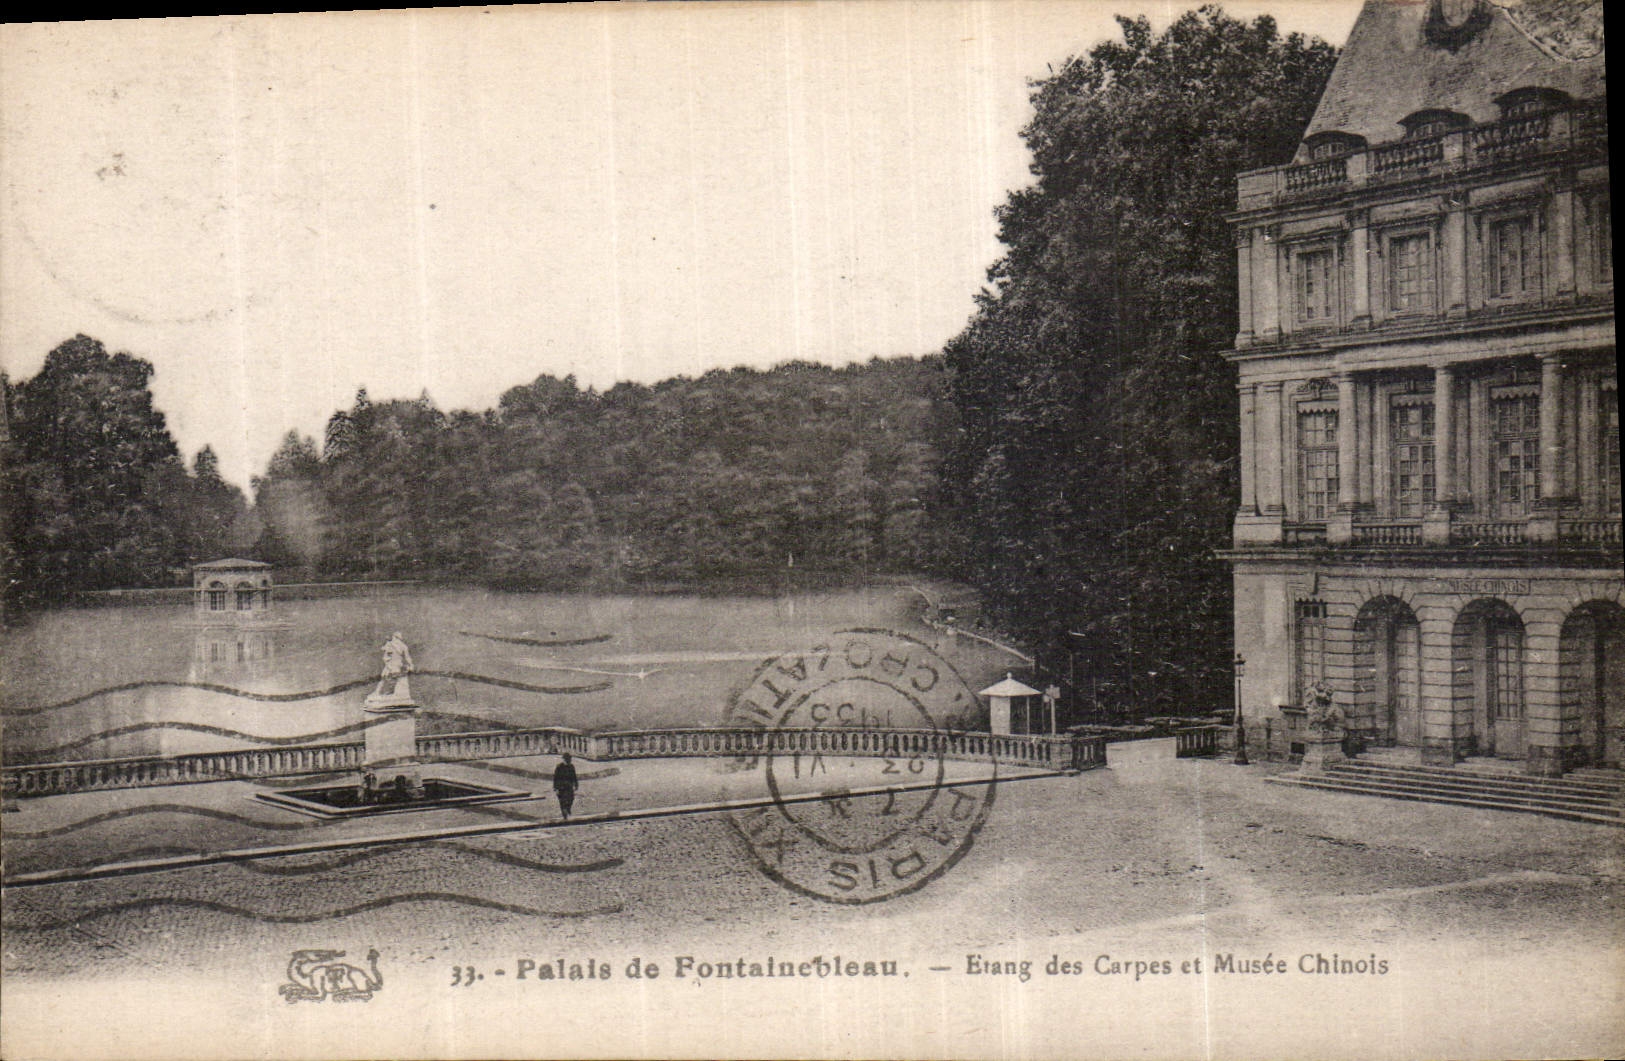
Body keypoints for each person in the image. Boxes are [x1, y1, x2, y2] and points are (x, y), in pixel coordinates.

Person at [552, 752, 579, 820]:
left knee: (571, 799)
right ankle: (565, 816)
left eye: (569, 759)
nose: (568, 761)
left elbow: (574, 776)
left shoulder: (571, 766)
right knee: (562, 802)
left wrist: (576, 785)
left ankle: (568, 809)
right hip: (561, 787)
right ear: (564, 759)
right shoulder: (559, 767)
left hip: (569, 786)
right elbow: (555, 778)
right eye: (567, 759)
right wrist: (556, 788)